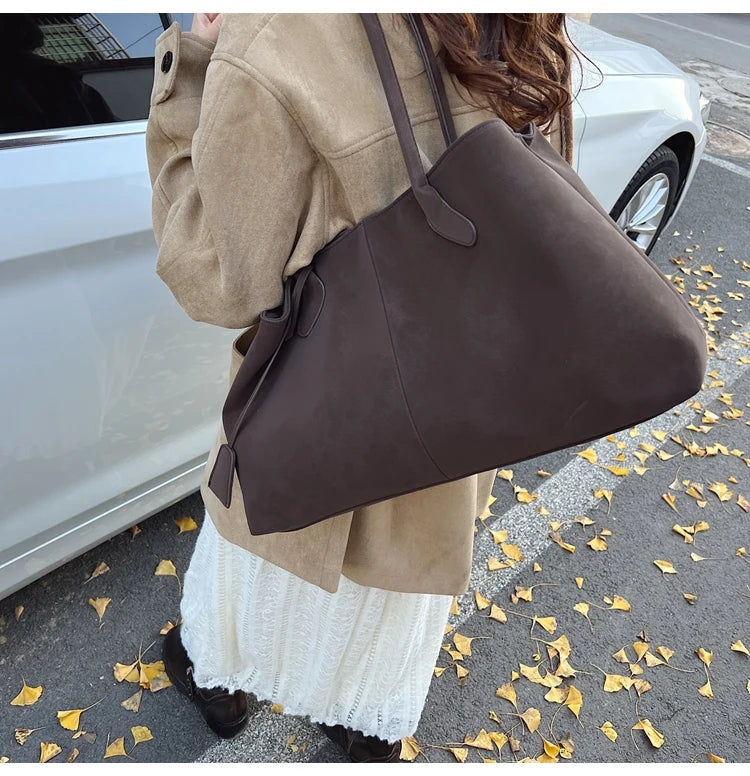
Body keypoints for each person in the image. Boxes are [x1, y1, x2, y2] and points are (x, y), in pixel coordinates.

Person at [146, 12, 577, 763]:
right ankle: (357, 724)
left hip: (311, 422)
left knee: (245, 595)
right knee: (389, 612)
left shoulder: (276, 33)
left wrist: (191, 69)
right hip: (447, 428)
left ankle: (219, 691)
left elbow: (218, 280)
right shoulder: (524, 24)